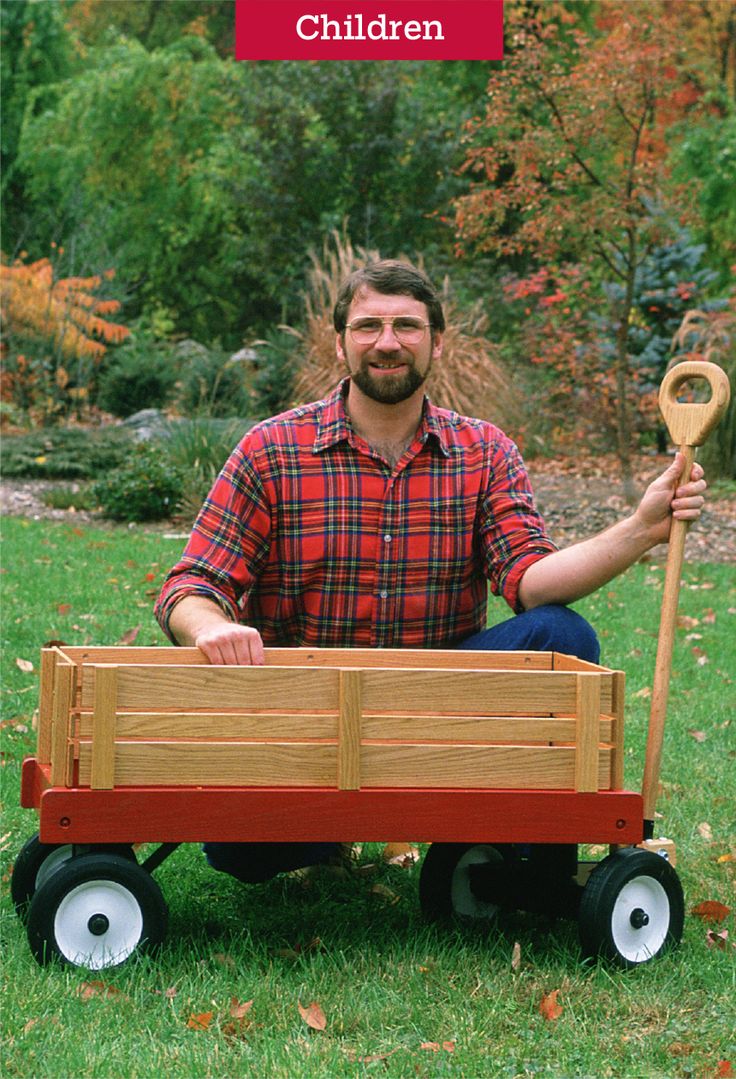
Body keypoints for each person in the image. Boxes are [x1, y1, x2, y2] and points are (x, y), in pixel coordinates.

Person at [154, 260, 707, 884]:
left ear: (436, 342)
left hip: (441, 718)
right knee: (246, 857)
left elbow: (529, 580)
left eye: (407, 326)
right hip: (307, 727)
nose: (387, 342)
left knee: (562, 637)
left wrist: (640, 529)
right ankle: (326, 828)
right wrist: (208, 629)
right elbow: (192, 585)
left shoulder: (484, 451)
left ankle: (489, 831)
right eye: (368, 326)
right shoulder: (272, 450)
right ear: (340, 343)